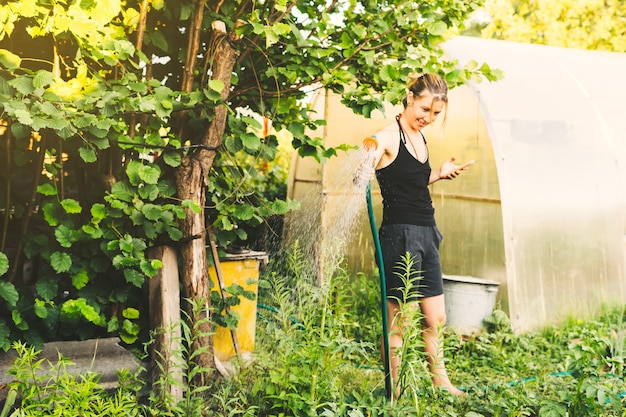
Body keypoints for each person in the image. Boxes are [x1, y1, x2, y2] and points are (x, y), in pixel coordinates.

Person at [358, 73, 473, 397]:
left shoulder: (419, 137)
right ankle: (394, 392)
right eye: (424, 109)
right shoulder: (389, 136)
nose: (428, 118)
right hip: (399, 236)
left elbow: (409, 185)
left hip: (426, 232)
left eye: (436, 114)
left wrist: (438, 174)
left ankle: (441, 383)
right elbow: (373, 146)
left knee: (436, 318)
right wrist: (368, 155)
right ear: (410, 98)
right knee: (398, 320)